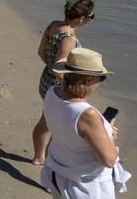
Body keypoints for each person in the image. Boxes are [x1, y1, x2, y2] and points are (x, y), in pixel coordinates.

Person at [41, 48, 129, 197]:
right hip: (85, 186)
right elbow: (108, 160)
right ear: (89, 80)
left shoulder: (51, 92)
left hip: (59, 172)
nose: (100, 83)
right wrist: (110, 135)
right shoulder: (88, 114)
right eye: (101, 78)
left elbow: (66, 127)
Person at [32, 0, 95, 165]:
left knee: (46, 120)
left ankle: (39, 156)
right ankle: (48, 160)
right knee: (55, 127)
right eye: (91, 17)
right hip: (58, 87)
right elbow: (59, 66)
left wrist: (50, 67)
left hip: (45, 79)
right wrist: (71, 86)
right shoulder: (69, 38)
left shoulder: (53, 25)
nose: (90, 20)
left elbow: (41, 52)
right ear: (82, 18)